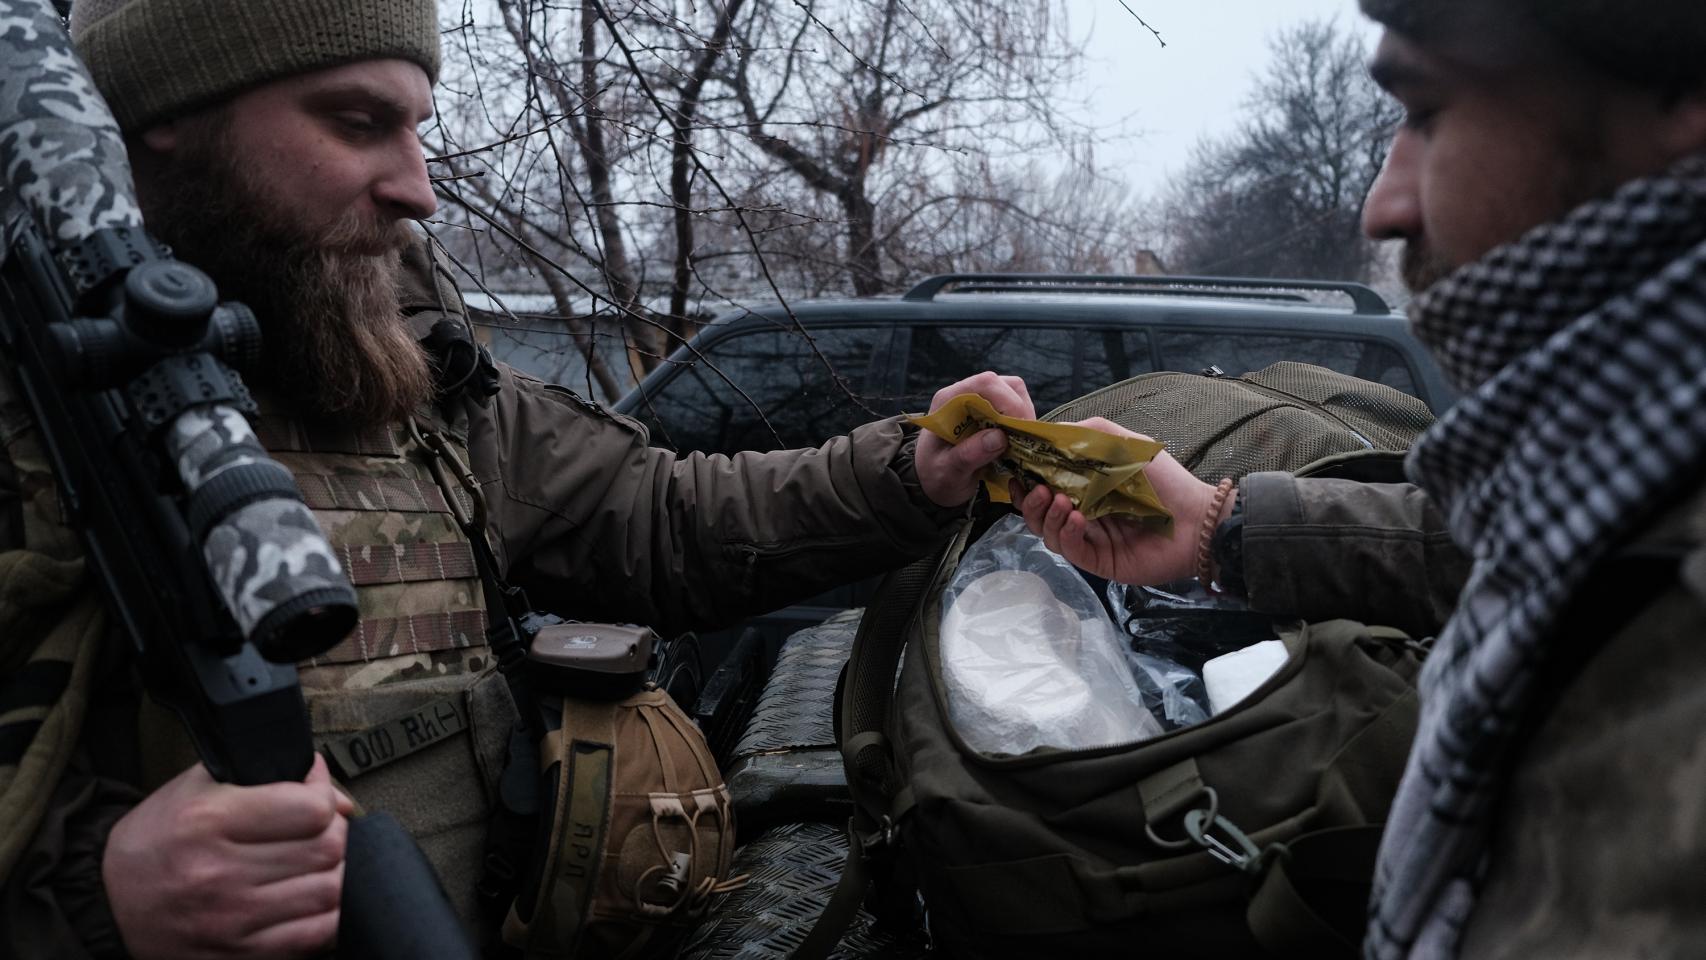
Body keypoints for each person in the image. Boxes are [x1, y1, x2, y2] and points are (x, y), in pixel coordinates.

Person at [0, 2, 1034, 957]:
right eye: (358, 123)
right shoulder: (40, 418)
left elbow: (659, 517)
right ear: (168, 120)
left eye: (418, 129)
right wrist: (93, 894)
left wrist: (914, 470)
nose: (418, 186)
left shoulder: (398, 364)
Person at [1019, 2, 1706, 958]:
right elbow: (1489, 541)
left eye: (1426, 112)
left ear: (1683, 101)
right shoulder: (1624, 487)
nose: (1384, 205)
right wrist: (1219, 525)